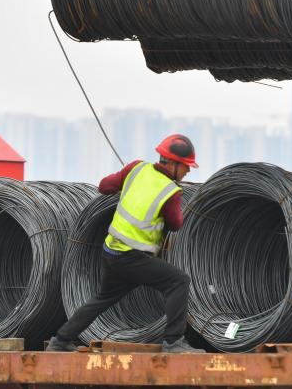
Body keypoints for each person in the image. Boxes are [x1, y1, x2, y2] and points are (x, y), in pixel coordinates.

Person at [46, 134, 205, 353]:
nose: (187, 172)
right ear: (174, 164)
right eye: (186, 167)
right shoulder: (171, 192)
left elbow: (104, 186)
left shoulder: (136, 169)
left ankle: (60, 340)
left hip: (112, 252)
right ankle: (173, 342)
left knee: (103, 298)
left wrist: (129, 186)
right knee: (179, 282)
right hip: (132, 257)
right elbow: (176, 223)